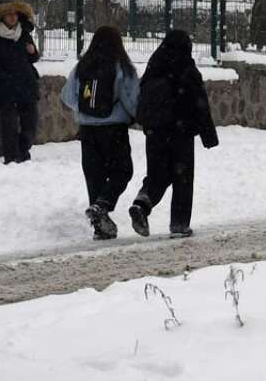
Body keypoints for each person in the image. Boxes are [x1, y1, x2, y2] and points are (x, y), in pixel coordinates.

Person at [129, 30, 219, 239]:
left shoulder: (154, 67)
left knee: (158, 173)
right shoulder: (187, 68)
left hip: (155, 132)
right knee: (182, 178)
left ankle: (142, 203)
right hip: (181, 132)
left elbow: (142, 99)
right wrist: (208, 135)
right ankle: (179, 223)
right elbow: (200, 103)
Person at [60, 26, 140, 240]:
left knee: (94, 175)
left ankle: (100, 226)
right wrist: (139, 117)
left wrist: (85, 110)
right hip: (114, 130)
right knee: (122, 171)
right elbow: (131, 99)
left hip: (87, 130)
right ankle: (102, 205)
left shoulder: (82, 67)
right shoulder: (121, 67)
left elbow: (67, 96)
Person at [0, 0, 40, 164]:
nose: (13, 18)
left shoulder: (24, 33)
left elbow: (33, 58)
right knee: (9, 125)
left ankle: (22, 150)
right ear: (2, 17)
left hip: (27, 85)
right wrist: (3, 76)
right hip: (5, 87)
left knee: (30, 126)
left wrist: (33, 52)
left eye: (15, 14)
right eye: (9, 14)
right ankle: (12, 158)